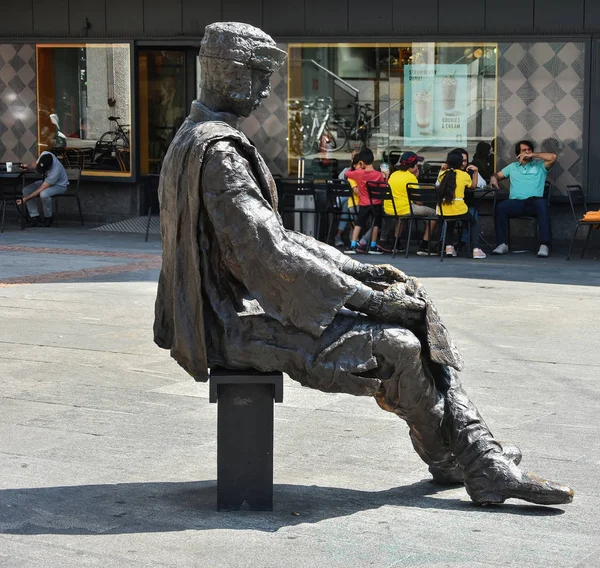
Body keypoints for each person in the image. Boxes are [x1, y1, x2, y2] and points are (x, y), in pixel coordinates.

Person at [154, 21, 573, 507]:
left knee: (412, 309)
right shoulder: (219, 152)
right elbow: (268, 255)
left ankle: (478, 459)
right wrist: (370, 299)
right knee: (398, 343)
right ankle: (471, 460)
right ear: (232, 73)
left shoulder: (198, 137)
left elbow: (277, 240)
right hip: (226, 323)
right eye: (261, 75)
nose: (268, 90)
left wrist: (361, 273)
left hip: (226, 307)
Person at [489, 140, 556, 258]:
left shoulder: (540, 166)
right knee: (500, 207)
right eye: (524, 150)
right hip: (516, 203)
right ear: (518, 154)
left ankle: (544, 245)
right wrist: (493, 178)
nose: (527, 152)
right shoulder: (512, 167)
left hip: (534, 203)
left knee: (542, 204)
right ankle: (502, 244)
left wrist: (533, 155)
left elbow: (553, 157)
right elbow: (497, 175)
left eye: (529, 150)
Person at [385, 151, 437, 256]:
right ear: (412, 166)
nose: (418, 166)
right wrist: (416, 178)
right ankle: (425, 245)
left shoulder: (394, 174)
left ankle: (396, 243)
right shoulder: (411, 178)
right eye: (417, 164)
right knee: (435, 214)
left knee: (402, 217)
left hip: (390, 208)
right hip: (405, 209)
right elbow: (419, 202)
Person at [437, 151, 486, 259]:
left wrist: (443, 169)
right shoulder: (464, 175)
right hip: (459, 209)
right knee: (472, 222)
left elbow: (439, 183)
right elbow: (473, 186)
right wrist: (476, 172)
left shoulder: (442, 174)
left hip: (443, 210)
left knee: (450, 223)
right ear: (460, 163)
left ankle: (449, 247)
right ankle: (476, 249)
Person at [344, 148, 386, 255]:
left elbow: (348, 173)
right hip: (376, 203)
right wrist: (386, 175)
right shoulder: (379, 175)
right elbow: (383, 187)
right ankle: (373, 246)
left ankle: (352, 245)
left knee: (359, 223)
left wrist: (359, 169)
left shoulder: (359, 174)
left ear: (361, 162)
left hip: (363, 203)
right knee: (376, 224)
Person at [17, 151, 69, 227]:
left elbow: (40, 190)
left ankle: (48, 218)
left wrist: (25, 199)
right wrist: (27, 167)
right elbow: (35, 164)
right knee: (26, 190)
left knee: (44, 194)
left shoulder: (55, 172)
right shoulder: (45, 154)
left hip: (60, 186)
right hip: (46, 181)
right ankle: (34, 217)